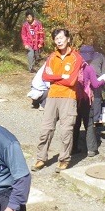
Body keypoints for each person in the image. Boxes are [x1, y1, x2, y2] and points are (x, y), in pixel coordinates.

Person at [31, 28, 83, 173]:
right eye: (56, 39)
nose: (59, 41)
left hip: (68, 97)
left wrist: (56, 77)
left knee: (66, 130)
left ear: (68, 39)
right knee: (46, 128)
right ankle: (41, 158)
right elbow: (45, 77)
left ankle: (64, 159)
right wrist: (62, 76)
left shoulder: (76, 57)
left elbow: (72, 81)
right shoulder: (52, 57)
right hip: (52, 96)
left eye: (61, 38)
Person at [72, 59, 105, 157]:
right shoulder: (89, 69)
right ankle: (91, 149)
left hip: (75, 99)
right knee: (88, 124)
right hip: (86, 100)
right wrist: (103, 80)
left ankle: (73, 148)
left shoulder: (74, 67)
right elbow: (96, 84)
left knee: (75, 124)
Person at [79, 44, 105, 124]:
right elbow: (104, 70)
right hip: (97, 76)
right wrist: (103, 80)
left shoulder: (78, 59)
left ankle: (81, 117)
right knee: (97, 97)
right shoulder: (101, 56)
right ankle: (96, 118)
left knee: (83, 96)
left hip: (83, 77)